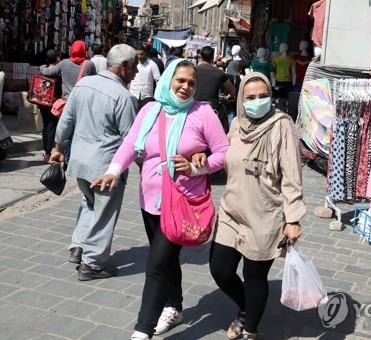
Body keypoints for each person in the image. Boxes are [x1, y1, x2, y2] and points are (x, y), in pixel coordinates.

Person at [90, 59, 229, 340]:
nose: (186, 87)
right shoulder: (150, 110)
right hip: (149, 200)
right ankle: (174, 307)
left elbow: (224, 152)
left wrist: (197, 167)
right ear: (167, 80)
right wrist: (114, 171)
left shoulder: (203, 113)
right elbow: (130, 143)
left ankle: (142, 330)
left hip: (181, 202)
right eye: (180, 80)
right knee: (166, 261)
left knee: (155, 266)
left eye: (191, 82)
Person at [209, 73, 306, 340]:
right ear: (241, 99)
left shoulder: (281, 125)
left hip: (265, 214)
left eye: (263, 96)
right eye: (250, 97)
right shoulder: (237, 125)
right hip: (231, 210)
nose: (257, 101)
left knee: (254, 276)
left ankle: (251, 329)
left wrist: (293, 218)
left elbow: (292, 175)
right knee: (220, 270)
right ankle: (245, 308)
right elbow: (221, 156)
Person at [49, 44, 139, 281]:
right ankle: (92, 263)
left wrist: (58, 148)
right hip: (106, 168)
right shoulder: (123, 97)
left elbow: (66, 120)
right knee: (103, 213)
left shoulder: (83, 85)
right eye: (135, 67)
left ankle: (78, 246)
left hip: (79, 162)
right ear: (124, 67)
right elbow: (130, 140)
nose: (137, 73)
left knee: (89, 204)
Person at [194, 46, 236, 113]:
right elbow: (232, 90)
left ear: (200, 56)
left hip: (194, 108)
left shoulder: (193, 71)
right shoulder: (219, 73)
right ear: (212, 57)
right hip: (213, 109)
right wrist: (230, 96)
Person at [39, 50, 61, 163]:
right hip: (54, 103)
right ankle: (48, 154)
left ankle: (46, 152)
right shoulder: (58, 72)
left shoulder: (42, 70)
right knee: (52, 126)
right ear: (57, 59)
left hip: (43, 102)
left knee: (45, 126)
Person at [130, 44, 161, 110]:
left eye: (141, 54)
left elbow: (158, 80)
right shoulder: (132, 63)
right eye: (137, 54)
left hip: (147, 96)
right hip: (133, 94)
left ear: (145, 53)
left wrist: (158, 96)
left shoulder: (152, 64)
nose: (139, 56)